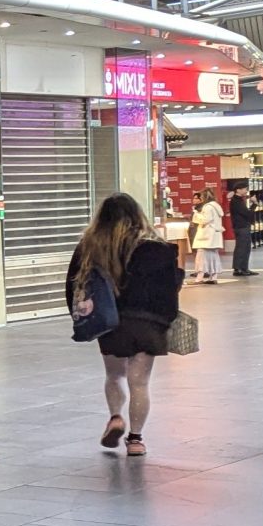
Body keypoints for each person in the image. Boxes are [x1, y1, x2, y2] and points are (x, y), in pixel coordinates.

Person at [68, 191, 182, 458]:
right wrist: (166, 321)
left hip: (109, 323)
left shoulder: (90, 246)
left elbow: (73, 283)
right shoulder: (156, 248)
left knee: (114, 376)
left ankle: (116, 417)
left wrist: (80, 319)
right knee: (139, 383)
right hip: (148, 323)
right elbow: (169, 290)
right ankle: (135, 440)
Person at [191, 188, 226, 283]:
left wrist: (196, 214)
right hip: (215, 234)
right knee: (213, 255)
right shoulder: (216, 206)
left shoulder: (207, 207)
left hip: (206, 235)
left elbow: (205, 220)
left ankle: (199, 277)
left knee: (201, 255)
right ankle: (213, 276)